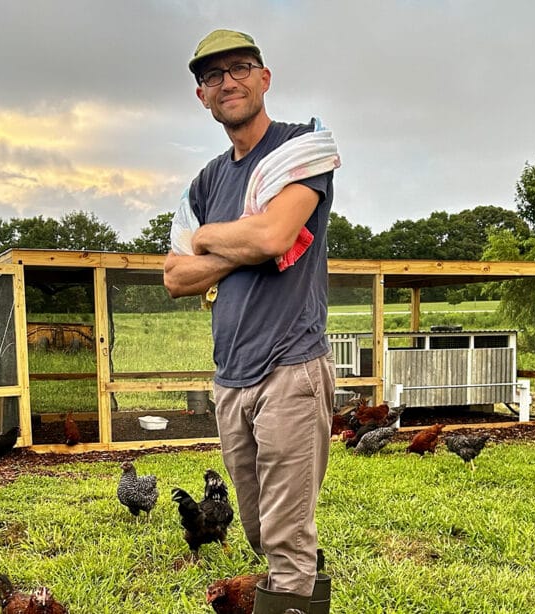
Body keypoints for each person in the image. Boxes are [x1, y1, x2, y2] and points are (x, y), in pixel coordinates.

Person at [163, 29, 338, 614]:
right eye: (213, 76)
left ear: (264, 77)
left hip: (291, 367)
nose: (227, 82)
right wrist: (236, 244)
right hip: (230, 378)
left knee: (286, 543)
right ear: (201, 97)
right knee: (261, 530)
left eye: (239, 68)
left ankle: (295, 593)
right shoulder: (207, 180)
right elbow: (174, 277)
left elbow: (273, 234)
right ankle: (305, 589)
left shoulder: (301, 148)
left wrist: (208, 239)